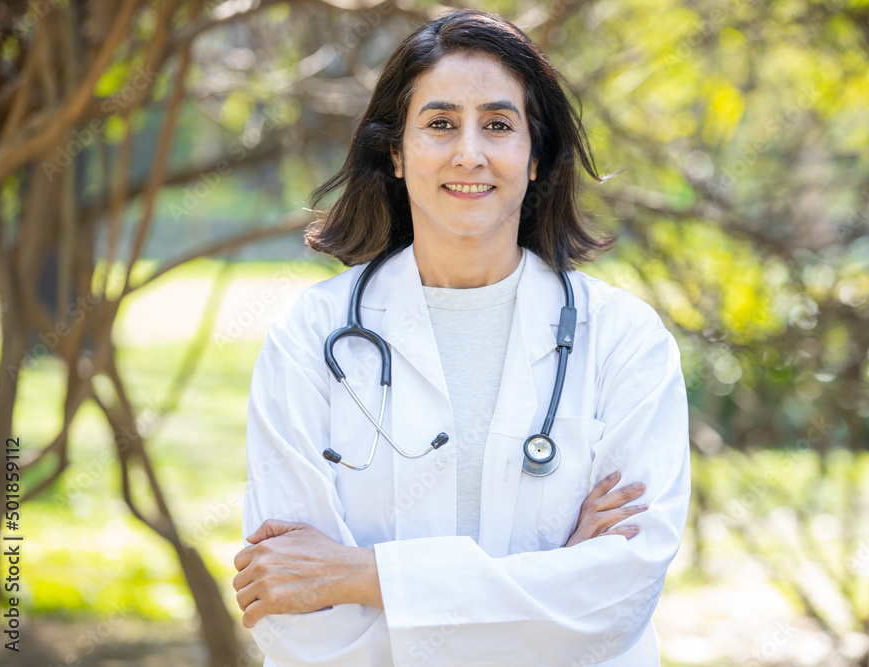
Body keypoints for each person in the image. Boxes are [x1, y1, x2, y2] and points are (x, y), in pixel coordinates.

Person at [232, 8, 690, 666]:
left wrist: (361, 576)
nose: (469, 152)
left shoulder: (624, 341)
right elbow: (295, 614)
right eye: (440, 123)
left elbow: (615, 599)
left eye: (499, 125)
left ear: (535, 156)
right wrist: (550, 581)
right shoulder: (309, 339)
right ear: (396, 151)